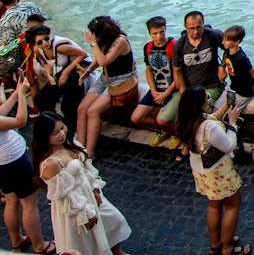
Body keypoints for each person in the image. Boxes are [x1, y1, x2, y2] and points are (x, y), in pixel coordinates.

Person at [30, 112, 130, 255]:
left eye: (62, 128)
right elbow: (63, 195)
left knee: (112, 220)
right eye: (55, 133)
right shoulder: (51, 163)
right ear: (44, 136)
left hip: (88, 191)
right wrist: (85, 213)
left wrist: (95, 188)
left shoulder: (71, 143)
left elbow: (85, 167)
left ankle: (116, 252)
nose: (61, 134)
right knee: (88, 242)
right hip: (75, 204)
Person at [175, 86, 250, 255]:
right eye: (207, 98)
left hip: (201, 171)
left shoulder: (187, 121)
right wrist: (232, 123)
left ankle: (216, 244)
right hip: (219, 173)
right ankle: (228, 248)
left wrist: (226, 107)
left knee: (214, 206)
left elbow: (211, 118)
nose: (208, 100)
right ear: (200, 104)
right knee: (232, 206)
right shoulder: (209, 128)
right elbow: (229, 145)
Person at [0, 75, 52, 255]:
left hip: (2, 164)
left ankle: (17, 241)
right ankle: (39, 246)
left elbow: (1, 112)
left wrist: (15, 93)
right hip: (13, 159)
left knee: (11, 201)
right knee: (29, 202)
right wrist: (22, 95)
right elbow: (20, 120)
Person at [77, 16, 137, 160]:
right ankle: (79, 147)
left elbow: (104, 61)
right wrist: (88, 71)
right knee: (82, 109)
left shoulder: (120, 41)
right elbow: (99, 60)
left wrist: (92, 44)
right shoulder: (104, 42)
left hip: (121, 81)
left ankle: (90, 152)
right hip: (106, 78)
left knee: (93, 111)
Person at [130, 16, 180, 145]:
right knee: (136, 118)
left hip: (172, 89)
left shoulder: (173, 46)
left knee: (161, 119)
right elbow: (148, 70)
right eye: (155, 33)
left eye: (162, 32)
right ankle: (167, 130)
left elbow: (179, 74)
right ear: (149, 33)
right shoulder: (148, 47)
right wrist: (153, 91)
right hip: (157, 88)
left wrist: (165, 94)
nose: (159, 36)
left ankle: (177, 133)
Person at [28, 23, 88, 127]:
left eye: (47, 39)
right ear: (34, 44)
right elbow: (46, 64)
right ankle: (53, 123)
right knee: (40, 99)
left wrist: (65, 72)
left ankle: (73, 128)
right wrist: (49, 75)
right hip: (63, 73)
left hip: (78, 72)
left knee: (67, 106)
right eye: (40, 42)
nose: (45, 43)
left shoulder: (61, 47)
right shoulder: (37, 50)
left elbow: (83, 55)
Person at [173, 11, 226, 108]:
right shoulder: (179, 45)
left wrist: (222, 66)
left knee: (201, 109)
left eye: (198, 27)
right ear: (185, 26)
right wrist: (184, 93)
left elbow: (231, 49)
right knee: (164, 119)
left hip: (212, 85)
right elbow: (177, 71)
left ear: (203, 24)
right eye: (191, 28)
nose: (196, 31)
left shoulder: (214, 35)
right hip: (190, 89)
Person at [220, 25, 254, 115]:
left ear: (237, 42)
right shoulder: (228, 51)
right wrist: (222, 68)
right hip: (234, 88)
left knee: (228, 115)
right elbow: (226, 57)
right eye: (223, 39)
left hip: (244, 92)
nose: (222, 42)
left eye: (226, 40)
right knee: (216, 109)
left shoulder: (241, 58)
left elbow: (253, 73)